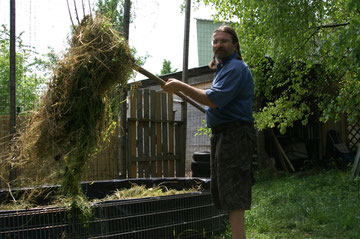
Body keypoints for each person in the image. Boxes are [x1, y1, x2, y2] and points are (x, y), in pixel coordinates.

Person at [161, 25, 255, 239]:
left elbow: (213, 98)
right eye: (215, 42)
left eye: (223, 41)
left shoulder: (236, 68)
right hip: (224, 135)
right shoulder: (224, 68)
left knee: (234, 191)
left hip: (235, 136)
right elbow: (213, 100)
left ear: (235, 44)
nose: (218, 45)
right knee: (226, 190)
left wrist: (180, 86)